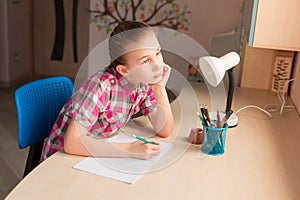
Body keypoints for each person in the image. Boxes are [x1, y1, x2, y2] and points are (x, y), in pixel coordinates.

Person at [40, 21, 174, 162]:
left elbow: (164, 130)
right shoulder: (100, 87)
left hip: (96, 151)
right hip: (62, 159)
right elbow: (71, 144)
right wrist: (129, 149)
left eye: (158, 53)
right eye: (146, 61)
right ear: (124, 70)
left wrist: (159, 88)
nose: (157, 64)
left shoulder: (143, 84)